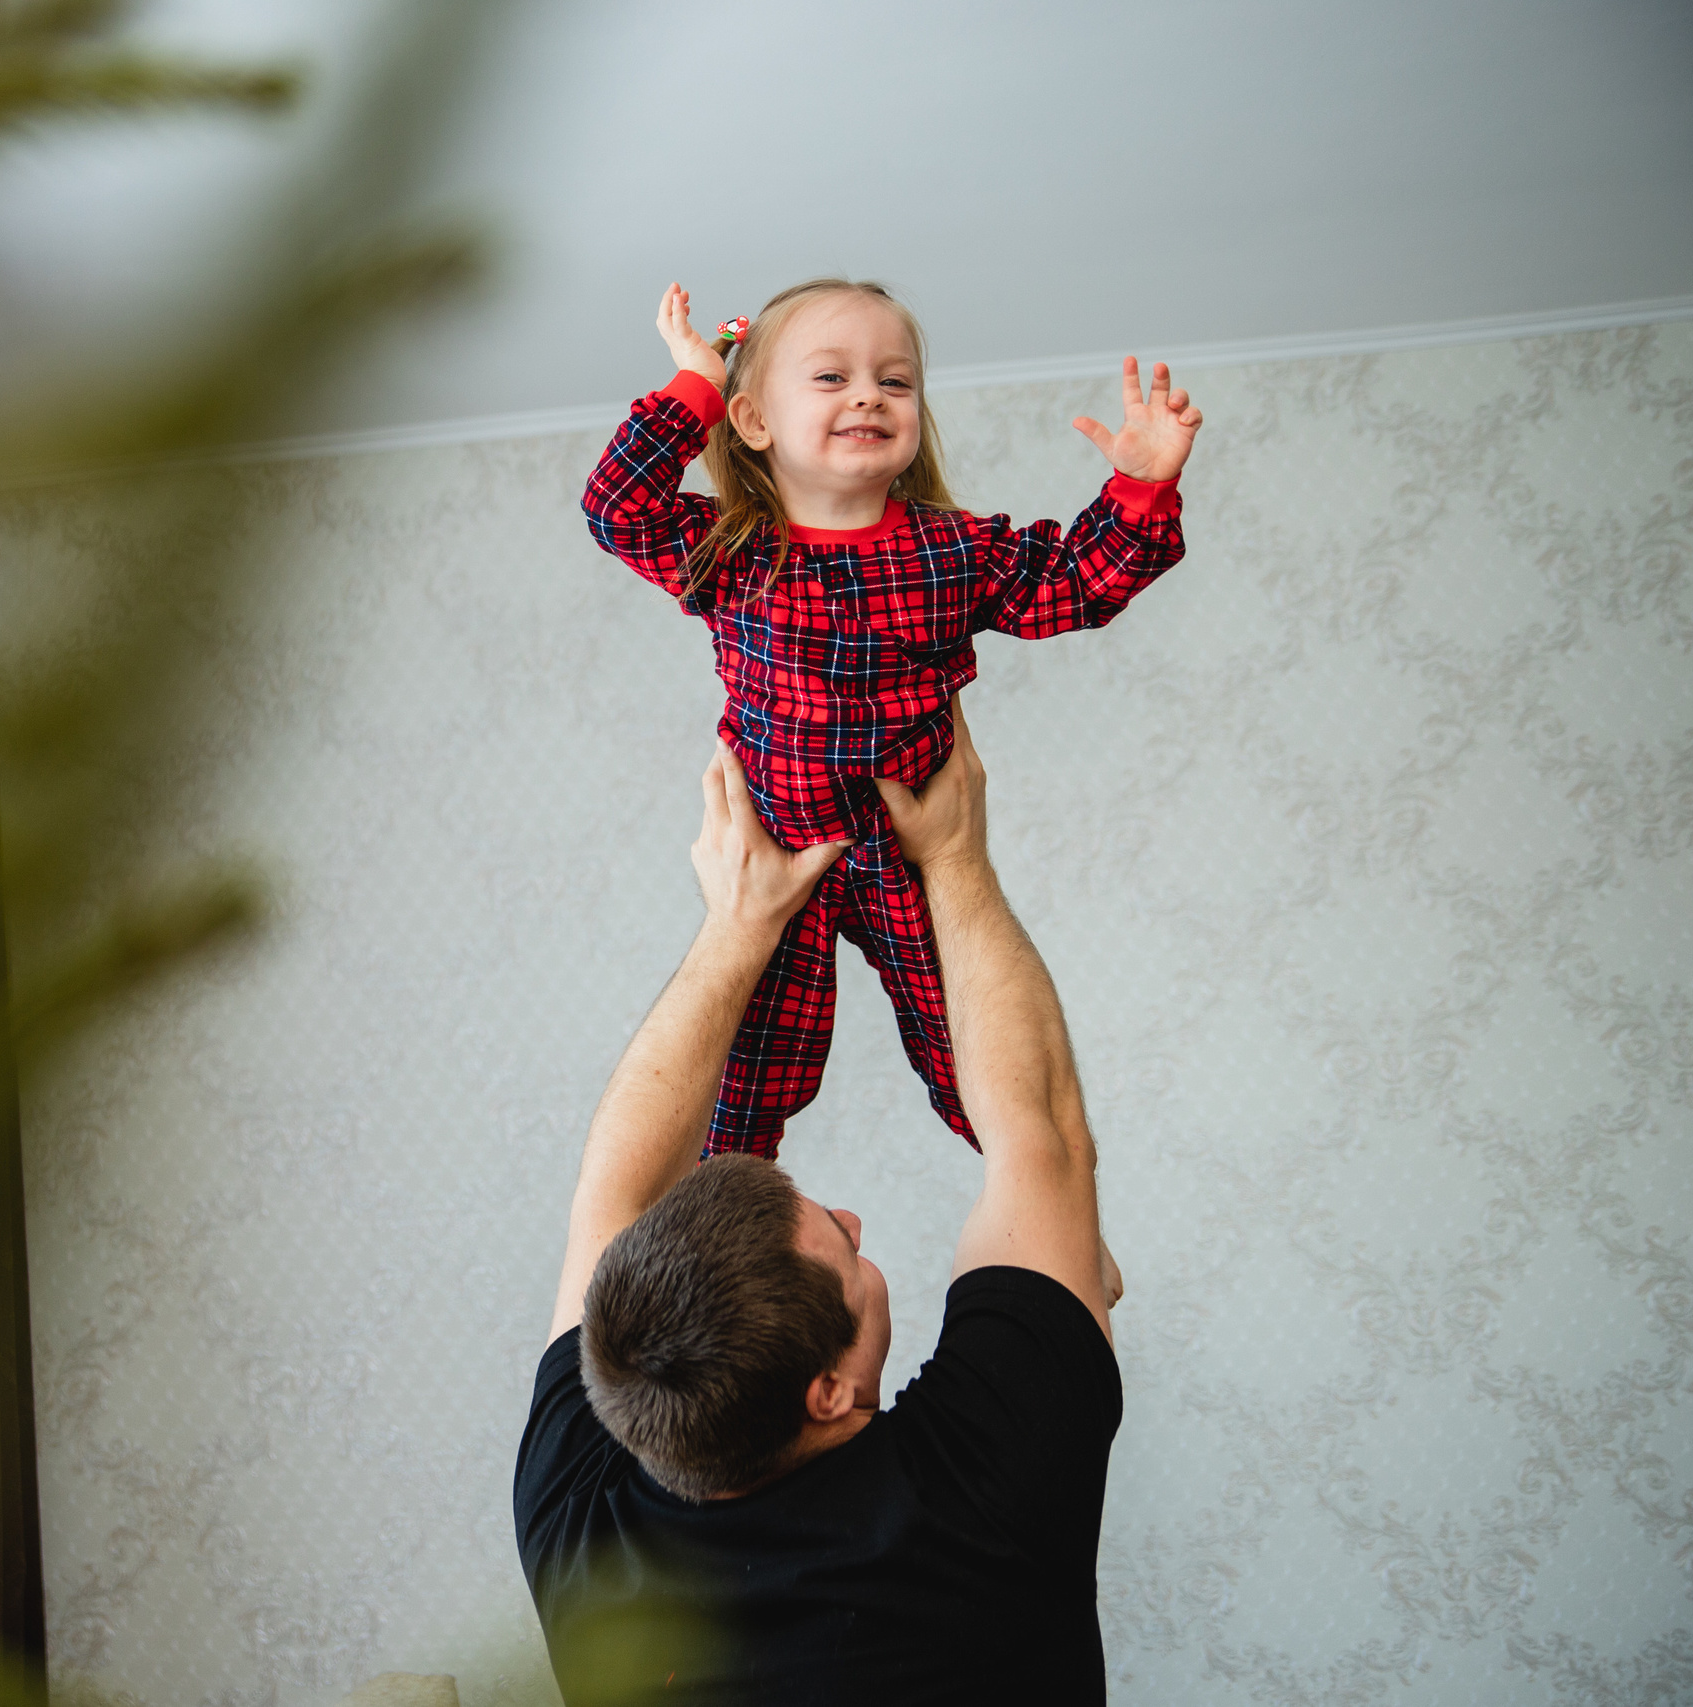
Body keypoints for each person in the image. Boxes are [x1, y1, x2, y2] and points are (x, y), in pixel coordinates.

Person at [514, 708, 1126, 1703]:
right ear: (828, 1392)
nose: (852, 1223)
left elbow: (614, 1190)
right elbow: (1040, 1136)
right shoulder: (982, 1493)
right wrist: (956, 861)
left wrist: (739, 926)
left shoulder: (581, 1526)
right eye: (844, 1252)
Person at [581, 278, 1202, 1156]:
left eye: (895, 381)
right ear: (753, 420)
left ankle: (1045, 1184)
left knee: (979, 1044)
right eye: (831, 377)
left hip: (908, 846)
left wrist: (1141, 488)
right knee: (749, 1067)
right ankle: (720, 1215)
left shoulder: (952, 548)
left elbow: (1073, 584)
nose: (869, 394)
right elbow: (616, 507)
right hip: (780, 847)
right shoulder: (729, 547)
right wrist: (698, 385)